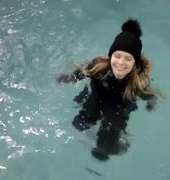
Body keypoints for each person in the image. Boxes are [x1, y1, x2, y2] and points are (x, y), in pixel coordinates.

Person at [57, 19, 163, 161]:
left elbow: (149, 94)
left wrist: (151, 102)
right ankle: (93, 136)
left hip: (119, 109)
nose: (120, 62)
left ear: (135, 63)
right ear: (110, 56)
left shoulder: (137, 82)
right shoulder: (98, 67)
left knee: (108, 144)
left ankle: (115, 141)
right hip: (96, 100)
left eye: (128, 58)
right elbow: (81, 73)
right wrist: (70, 77)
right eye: (117, 56)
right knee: (78, 124)